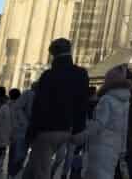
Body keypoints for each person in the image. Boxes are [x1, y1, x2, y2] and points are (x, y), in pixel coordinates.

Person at [24, 39, 90, 179]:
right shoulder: (81, 73)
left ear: (52, 54)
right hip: (67, 129)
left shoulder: (49, 76)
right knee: (32, 168)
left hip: (47, 129)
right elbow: (82, 103)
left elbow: (39, 106)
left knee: (41, 171)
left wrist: (31, 132)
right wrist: (79, 128)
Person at [77, 66, 130, 179]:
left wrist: (82, 135)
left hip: (100, 146)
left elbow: (99, 124)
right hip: (114, 147)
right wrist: (122, 150)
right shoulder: (125, 102)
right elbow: (124, 128)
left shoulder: (106, 100)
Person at [8, 87, 33, 178]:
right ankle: (12, 173)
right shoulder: (28, 94)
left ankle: (13, 173)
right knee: (18, 154)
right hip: (22, 130)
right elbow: (17, 108)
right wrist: (24, 122)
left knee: (21, 154)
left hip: (31, 131)